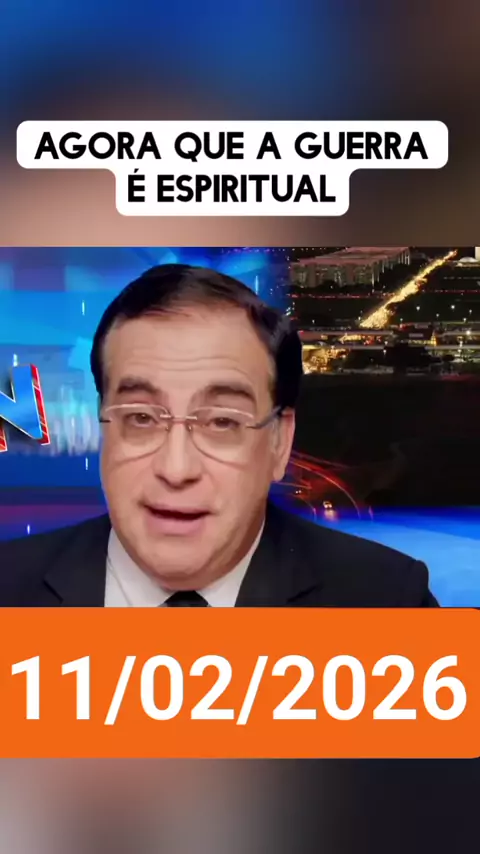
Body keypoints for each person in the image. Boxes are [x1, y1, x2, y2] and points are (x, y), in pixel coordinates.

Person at [0, 264, 438, 607]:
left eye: (222, 422)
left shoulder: (387, 602)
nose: (176, 470)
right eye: (141, 417)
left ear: (279, 443)